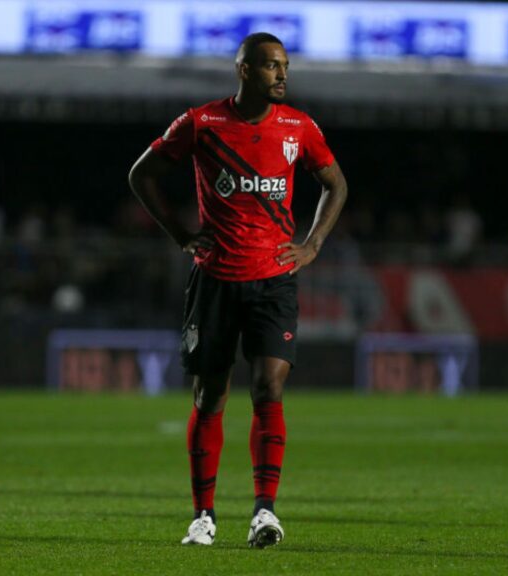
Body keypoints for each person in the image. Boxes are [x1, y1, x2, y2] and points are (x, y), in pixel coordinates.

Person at [128, 32, 348, 547]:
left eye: (285, 65)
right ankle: (203, 516)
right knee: (211, 396)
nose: (282, 74)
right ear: (245, 70)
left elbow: (336, 183)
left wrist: (312, 245)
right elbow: (142, 175)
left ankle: (264, 512)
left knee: (269, 388)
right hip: (217, 280)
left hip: (274, 280)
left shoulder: (299, 127)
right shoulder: (203, 122)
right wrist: (180, 234)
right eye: (272, 66)